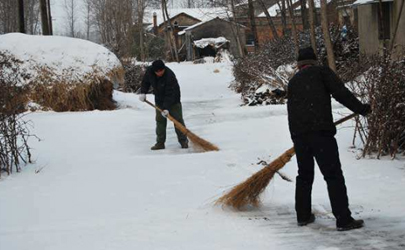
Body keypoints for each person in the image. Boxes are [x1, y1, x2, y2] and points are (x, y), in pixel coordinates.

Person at [274, 47, 371, 231]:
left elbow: (291, 111)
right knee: (333, 175)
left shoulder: (294, 81)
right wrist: (361, 109)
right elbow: (341, 93)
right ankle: (343, 220)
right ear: (314, 61)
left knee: (304, 176)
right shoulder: (321, 72)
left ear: (299, 65)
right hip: (321, 133)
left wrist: (296, 136)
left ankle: (302, 216)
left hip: (300, 135)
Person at [138, 60, 188, 150]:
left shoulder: (170, 76)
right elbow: (145, 81)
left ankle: (183, 141)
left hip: (173, 100)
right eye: (157, 71)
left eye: (161, 71)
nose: (159, 73)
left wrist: (166, 108)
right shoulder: (150, 71)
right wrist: (143, 92)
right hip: (159, 99)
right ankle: (160, 143)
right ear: (154, 70)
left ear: (164, 69)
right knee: (160, 121)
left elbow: (170, 94)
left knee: (178, 121)